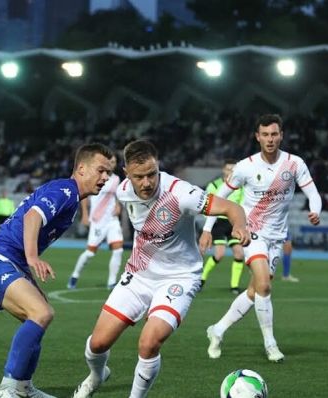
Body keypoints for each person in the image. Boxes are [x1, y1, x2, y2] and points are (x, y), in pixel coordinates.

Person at [72, 140, 250, 398]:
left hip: (179, 277)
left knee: (149, 342)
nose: (146, 183)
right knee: (98, 343)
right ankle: (97, 375)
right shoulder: (123, 190)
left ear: (159, 168)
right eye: (139, 177)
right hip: (138, 275)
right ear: (126, 173)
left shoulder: (181, 193)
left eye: (152, 174)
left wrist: (240, 225)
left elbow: (231, 207)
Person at [0, 143, 113, 398]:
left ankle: (23, 387)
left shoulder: (69, 196)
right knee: (41, 312)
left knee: (39, 315)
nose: (105, 178)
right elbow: (32, 217)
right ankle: (7, 389)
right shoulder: (65, 191)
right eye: (101, 170)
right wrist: (33, 257)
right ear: (81, 169)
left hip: (9, 261)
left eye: (108, 173)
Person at [200, 114, 322, 363]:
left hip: (277, 237)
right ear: (257, 137)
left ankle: (218, 330)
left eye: (274, 134)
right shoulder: (245, 166)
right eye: (265, 134)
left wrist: (315, 210)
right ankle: (271, 344)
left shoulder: (294, 163)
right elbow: (219, 197)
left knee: (256, 291)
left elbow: (313, 192)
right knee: (265, 285)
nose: (270, 139)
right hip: (251, 233)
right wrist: (207, 229)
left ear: (281, 135)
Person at [68, 153, 124, 290]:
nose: (112, 163)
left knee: (118, 250)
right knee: (90, 253)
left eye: (114, 161)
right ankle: (74, 276)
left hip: (112, 220)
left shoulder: (116, 179)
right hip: (98, 220)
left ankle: (111, 282)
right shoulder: (96, 177)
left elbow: (118, 196)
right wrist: (85, 214)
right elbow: (85, 196)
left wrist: (118, 205)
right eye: (110, 161)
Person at [200, 159, 246, 293]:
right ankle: (202, 279)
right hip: (218, 221)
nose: (230, 172)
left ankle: (234, 286)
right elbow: (207, 205)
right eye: (228, 169)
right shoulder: (214, 185)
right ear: (223, 170)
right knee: (219, 254)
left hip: (232, 222)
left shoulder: (240, 187)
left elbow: (242, 205)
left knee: (239, 253)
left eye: (233, 169)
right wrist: (209, 223)